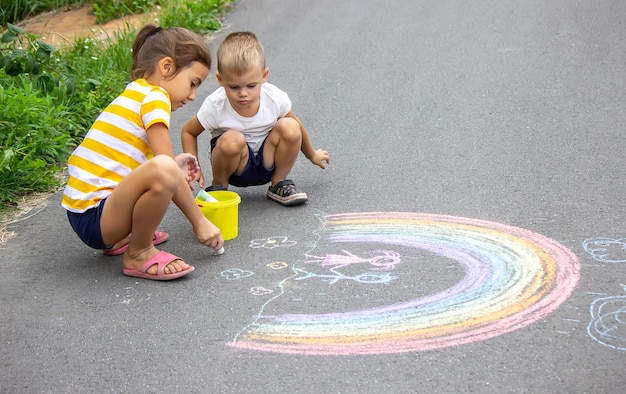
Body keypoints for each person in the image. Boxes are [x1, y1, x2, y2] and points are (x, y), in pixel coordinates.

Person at [62, 24, 223, 281]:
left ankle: (126, 238)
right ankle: (140, 252)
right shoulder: (155, 96)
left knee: (166, 168)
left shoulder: (135, 92)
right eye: (192, 84)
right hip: (96, 218)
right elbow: (163, 168)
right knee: (165, 169)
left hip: (85, 214)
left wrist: (173, 164)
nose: (193, 96)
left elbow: (131, 162)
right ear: (167, 67)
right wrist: (199, 222)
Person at [181, 31, 330, 206]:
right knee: (232, 139)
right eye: (234, 87)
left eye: (251, 86)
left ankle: (278, 184)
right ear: (221, 80)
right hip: (235, 166)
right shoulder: (216, 104)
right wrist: (193, 166)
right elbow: (189, 131)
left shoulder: (274, 97)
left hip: (268, 161)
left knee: (290, 125)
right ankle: (219, 187)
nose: (243, 94)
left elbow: (297, 126)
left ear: (264, 76)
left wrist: (312, 154)